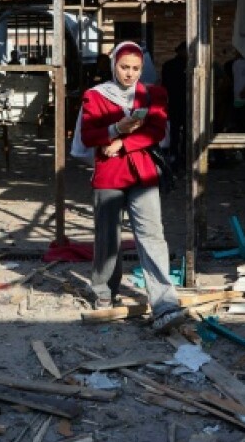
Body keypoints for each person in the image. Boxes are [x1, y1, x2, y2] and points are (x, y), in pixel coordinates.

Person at [79, 41, 186, 333]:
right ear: (114, 65)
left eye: (135, 68)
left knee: (152, 234)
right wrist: (116, 128)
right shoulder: (95, 96)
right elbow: (88, 135)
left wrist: (122, 142)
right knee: (107, 237)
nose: (129, 74)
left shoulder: (154, 94)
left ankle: (164, 300)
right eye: (124, 67)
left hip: (142, 173)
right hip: (109, 174)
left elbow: (157, 131)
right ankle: (104, 292)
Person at [160, 42, 188, 168]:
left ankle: (175, 155)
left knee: (175, 131)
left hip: (174, 101)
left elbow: (164, 85)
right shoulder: (188, 65)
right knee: (184, 130)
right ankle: (182, 155)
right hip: (184, 102)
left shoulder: (168, 65)